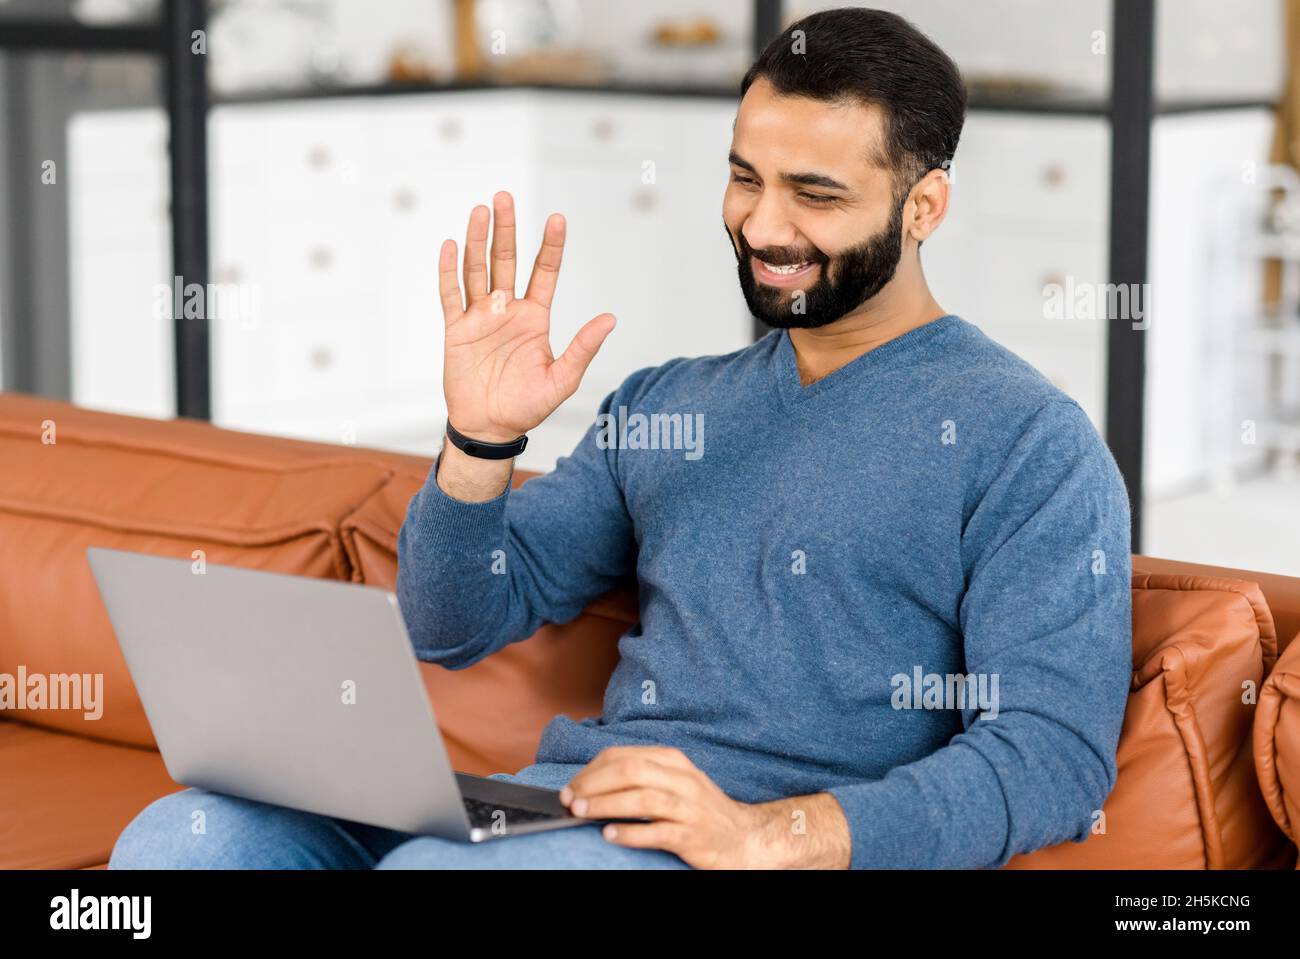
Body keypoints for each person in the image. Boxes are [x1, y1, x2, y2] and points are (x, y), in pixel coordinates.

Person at [110, 6, 1131, 871]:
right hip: (571, 804)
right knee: (186, 837)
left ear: (923, 206)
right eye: (746, 179)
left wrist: (766, 831)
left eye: (815, 195)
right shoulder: (667, 404)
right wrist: (477, 439)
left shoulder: (1027, 438)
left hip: (727, 847)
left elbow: (1052, 752)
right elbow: (452, 622)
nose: (764, 227)